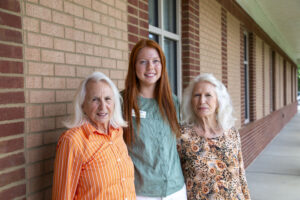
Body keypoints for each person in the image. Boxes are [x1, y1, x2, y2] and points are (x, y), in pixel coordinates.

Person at [52, 72, 136, 200]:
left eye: (107, 99)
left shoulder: (117, 132)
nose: (103, 106)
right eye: (95, 99)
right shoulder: (73, 141)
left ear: (114, 103)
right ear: (82, 105)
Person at [122, 39, 187, 200]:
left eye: (155, 61)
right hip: (140, 192)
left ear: (162, 65)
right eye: (143, 62)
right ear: (134, 66)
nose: (150, 67)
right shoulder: (121, 101)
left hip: (175, 190)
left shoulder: (173, 102)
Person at [178, 73, 251, 200]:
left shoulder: (231, 133)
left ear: (218, 101)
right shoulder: (182, 136)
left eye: (208, 95)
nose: (202, 101)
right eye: (197, 95)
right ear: (191, 101)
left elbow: (241, 174)